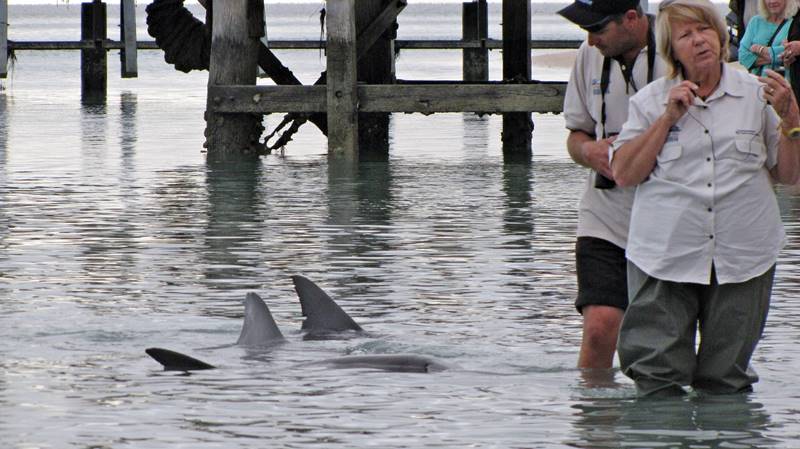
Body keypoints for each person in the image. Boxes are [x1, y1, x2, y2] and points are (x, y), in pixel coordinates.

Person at [611, 0, 800, 396]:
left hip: (744, 257)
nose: (699, 41)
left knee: (726, 382)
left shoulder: (757, 94)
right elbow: (625, 174)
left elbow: (789, 176)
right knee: (656, 378)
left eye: (705, 30)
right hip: (665, 256)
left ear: (720, 36)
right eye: (686, 35)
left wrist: (791, 123)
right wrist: (667, 120)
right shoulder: (649, 101)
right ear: (672, 50)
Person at [557, 0, 666, 370]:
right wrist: (590, 152)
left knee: (660, 341)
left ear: (632, 19)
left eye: (598, 29)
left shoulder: (674, 50)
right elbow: (576, 135)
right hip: (604, 213)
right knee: (600, 329)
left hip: (667, 215)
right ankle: (593, 421)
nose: (590, 40)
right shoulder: (588, 55)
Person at [738, 0, 796, 77]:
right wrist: (778, 54)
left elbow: (793, 51)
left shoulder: (795, 23)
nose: (772, 1)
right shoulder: (755, 21)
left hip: (784, 84)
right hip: (757, 84)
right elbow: (742, 56)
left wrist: (761, 50)